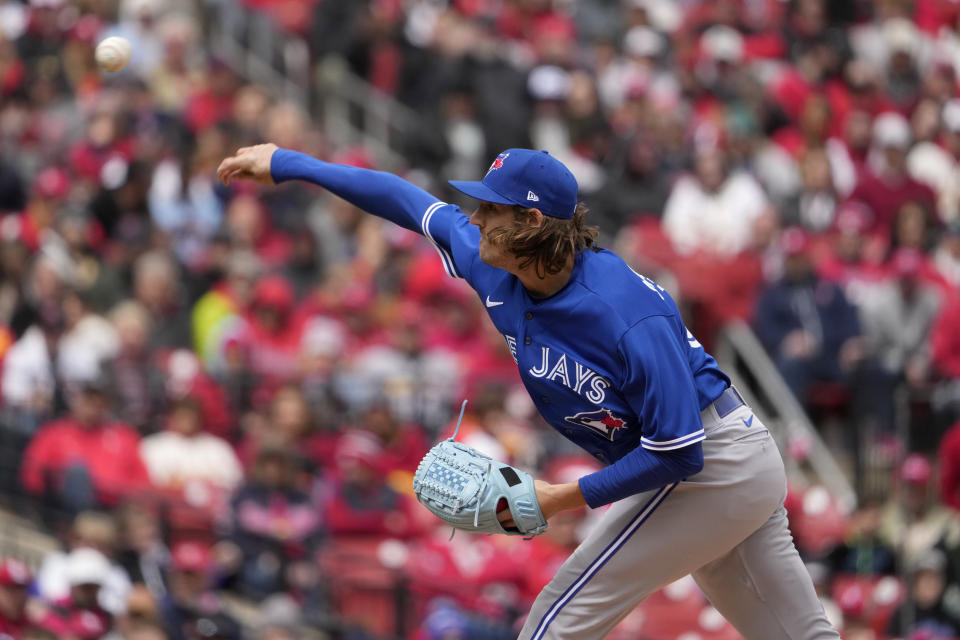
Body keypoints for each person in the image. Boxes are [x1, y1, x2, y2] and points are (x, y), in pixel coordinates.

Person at [217, 144, 839, 639]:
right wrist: (289, 163)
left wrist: (556, 498)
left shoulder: (623, 313)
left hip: (713, 461)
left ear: (532, 222)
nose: (477, 218)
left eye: (492, 208)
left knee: (553, 624)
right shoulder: (495, 261)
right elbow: (407, 202)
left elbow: (681, 451)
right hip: (715, 472)